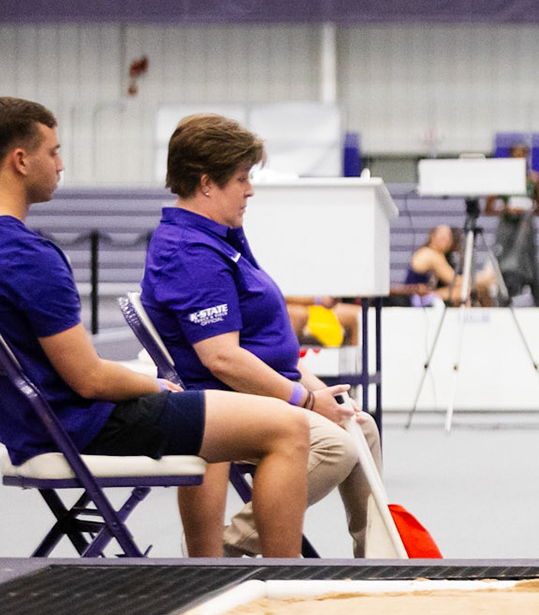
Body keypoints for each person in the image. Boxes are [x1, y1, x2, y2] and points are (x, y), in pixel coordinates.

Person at [0, 99, 311, 558]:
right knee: (289, 426)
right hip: (85, 425)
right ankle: (287, 582)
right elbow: (90, 379)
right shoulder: (29, 257)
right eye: (54, 151)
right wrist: (151, 384)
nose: (61, 165)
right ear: (21, 160)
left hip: (32, 425)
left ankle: (208, 566)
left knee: (218, 405)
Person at [141, 113, 387, 558]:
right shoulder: (189, 251)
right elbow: (223, 360)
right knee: (335, 444)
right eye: (241, 179)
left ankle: (377, 560)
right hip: (223, 396)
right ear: (206, 183)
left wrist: (315, 390)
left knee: (360, 425)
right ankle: (227, 546)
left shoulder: (223, 235)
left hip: (262, 387)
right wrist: (306, 402)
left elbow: (269, 347)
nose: (250, 189)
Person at [485, 143, 539, 307]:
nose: (520, 158)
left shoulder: (533, 179)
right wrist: (506, 209)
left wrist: (526, 209)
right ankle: (503, 299)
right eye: (517, 155)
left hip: (526, 229)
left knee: (531, 263)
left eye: (523, 155)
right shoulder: (501, 179)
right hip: (506, 229)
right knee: (503, 262)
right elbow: (488, 208)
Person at [406, 224, 497, 306]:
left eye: (448, 237)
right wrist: (483, 278)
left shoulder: (440, 255)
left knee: (477, 289)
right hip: (418, 297)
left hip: (426, 294)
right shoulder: (431, 255)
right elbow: (454, 281)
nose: (445, 240)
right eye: (442, 237)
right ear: (433, 237)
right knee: (467, 290)